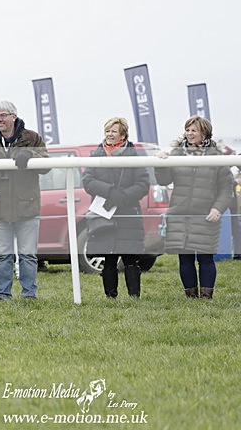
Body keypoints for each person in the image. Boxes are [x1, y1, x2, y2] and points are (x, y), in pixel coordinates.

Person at [155, 116, 233, 299]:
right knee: (185, 258)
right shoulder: (176, 153)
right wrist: (160, 164)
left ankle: (206, 298)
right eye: (187, 130)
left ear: (204, 133)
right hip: (179, 214)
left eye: (194, 130)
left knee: (206, 258)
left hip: (206, 216)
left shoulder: (217, 157)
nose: (189, 134)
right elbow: (164, 180)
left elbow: (226, 188)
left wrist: (217, 209)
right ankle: (191, 297)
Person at [0, 101, 49, 300]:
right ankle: (2, 295)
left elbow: (46, 166)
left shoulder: (32, 138)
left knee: (28, 255)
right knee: (2, 256)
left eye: (2, 115)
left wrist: (31, 155)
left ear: (14, 116)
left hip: (27, 205)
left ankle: (29, 295)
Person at [81, 117, 150, 298]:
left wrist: (123, 197)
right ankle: (110, 297)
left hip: (128, 212)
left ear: (123, 135)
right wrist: (110, 192)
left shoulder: (134, 156)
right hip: (105, 213)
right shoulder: (97, 154)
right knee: (109, 258)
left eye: (114, 131)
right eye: (107, 131)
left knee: (130, 258)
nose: (109, 134)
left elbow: (143, 184)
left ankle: (134, 297)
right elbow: (87, 181)